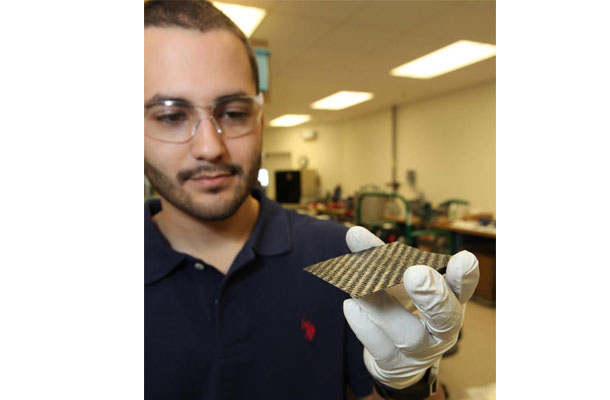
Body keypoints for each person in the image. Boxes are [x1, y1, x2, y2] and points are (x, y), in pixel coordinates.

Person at [144, 1, 480, 399]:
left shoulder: (340, 254)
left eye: (233, 113)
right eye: (170, 116)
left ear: (260, 121)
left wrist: (407, 386)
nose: (209, 147)